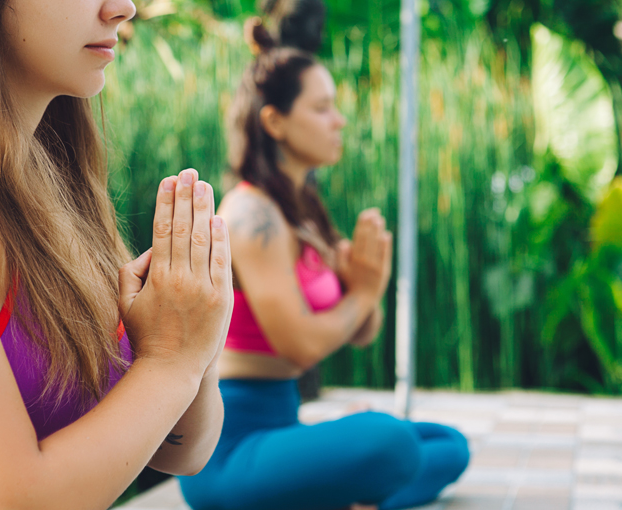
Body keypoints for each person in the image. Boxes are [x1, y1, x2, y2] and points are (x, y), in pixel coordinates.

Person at [0, 1, 233, 509]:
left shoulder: (59, 188)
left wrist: (192, 336)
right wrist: (170, 363)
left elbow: (182, 452)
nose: (122, 8)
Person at [176, 20, 470, 510]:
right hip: (229, 450)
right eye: (321, 107)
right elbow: (303, 344)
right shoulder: (251, 214)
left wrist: (367, 290)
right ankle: (344, 492)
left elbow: (362, 330)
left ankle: (343, 498)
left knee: (447, 445)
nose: (339, 121)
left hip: (283, 425)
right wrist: (363, 292)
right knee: (389, 442)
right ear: (275, 122)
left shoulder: (304, 211)